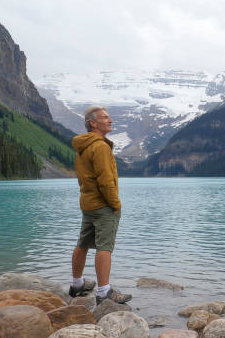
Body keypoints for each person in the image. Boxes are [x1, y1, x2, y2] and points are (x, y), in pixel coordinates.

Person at [69, 105, 132, 305]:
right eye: (105, 118)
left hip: (87, 204)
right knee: (104, 247)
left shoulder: (83, 145)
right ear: (93, 123)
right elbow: (106, 181)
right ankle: (104, 291)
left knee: (83, 244)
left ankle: (77, 284)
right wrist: (115, 204)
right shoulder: (101, 146)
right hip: (103, 205)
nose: (110, 120)